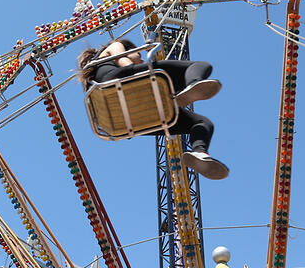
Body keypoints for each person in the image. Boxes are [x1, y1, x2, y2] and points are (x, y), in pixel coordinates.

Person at [78, 39, 228, 180]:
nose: (142, 59)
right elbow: (122, 59)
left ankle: (199, 152)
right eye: (139, 54)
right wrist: (137, 69)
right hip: (118, 80)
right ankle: (193, 83)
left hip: (123, 120)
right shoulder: (115, 44)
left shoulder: (94, 74)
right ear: (128, 49)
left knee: (203, 122)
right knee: (200, 66)